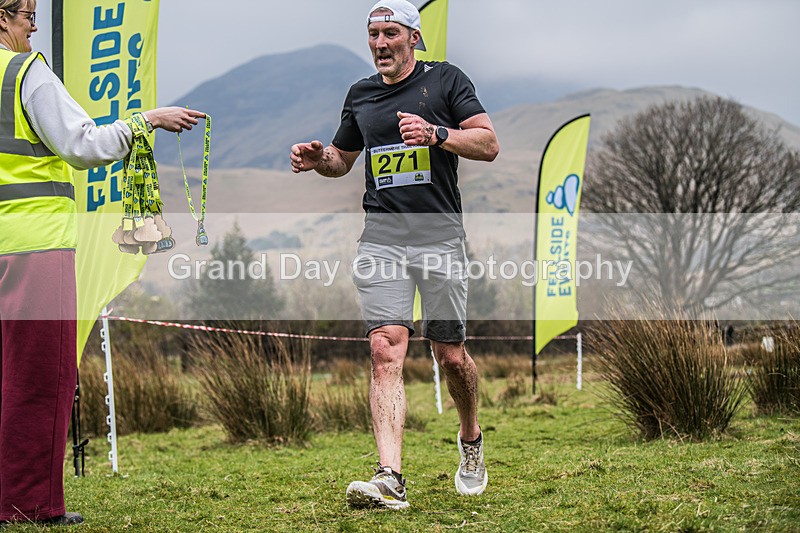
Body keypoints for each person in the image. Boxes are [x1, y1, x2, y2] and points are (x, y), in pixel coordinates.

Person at [0, 0, 205, 525]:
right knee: (40, 376)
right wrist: (145, 120)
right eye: (26, 14)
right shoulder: (26, 72)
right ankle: (28, 503)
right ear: (3, 19)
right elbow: (82, 146)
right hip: (32, 246)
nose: (35, 25)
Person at [290, 0, 499, 509]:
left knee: (449, 356)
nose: (380, 43)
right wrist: (321, 159)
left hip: (439, 238)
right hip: (381, 236)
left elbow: (489, 143)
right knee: (386, 347)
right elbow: (343, 161)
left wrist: (436, 134)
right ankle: (390, 477)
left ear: (414, 37)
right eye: (372, 34)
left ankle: (470, 438)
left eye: (390, 33)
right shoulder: (360, 95)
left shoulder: (446, 81)